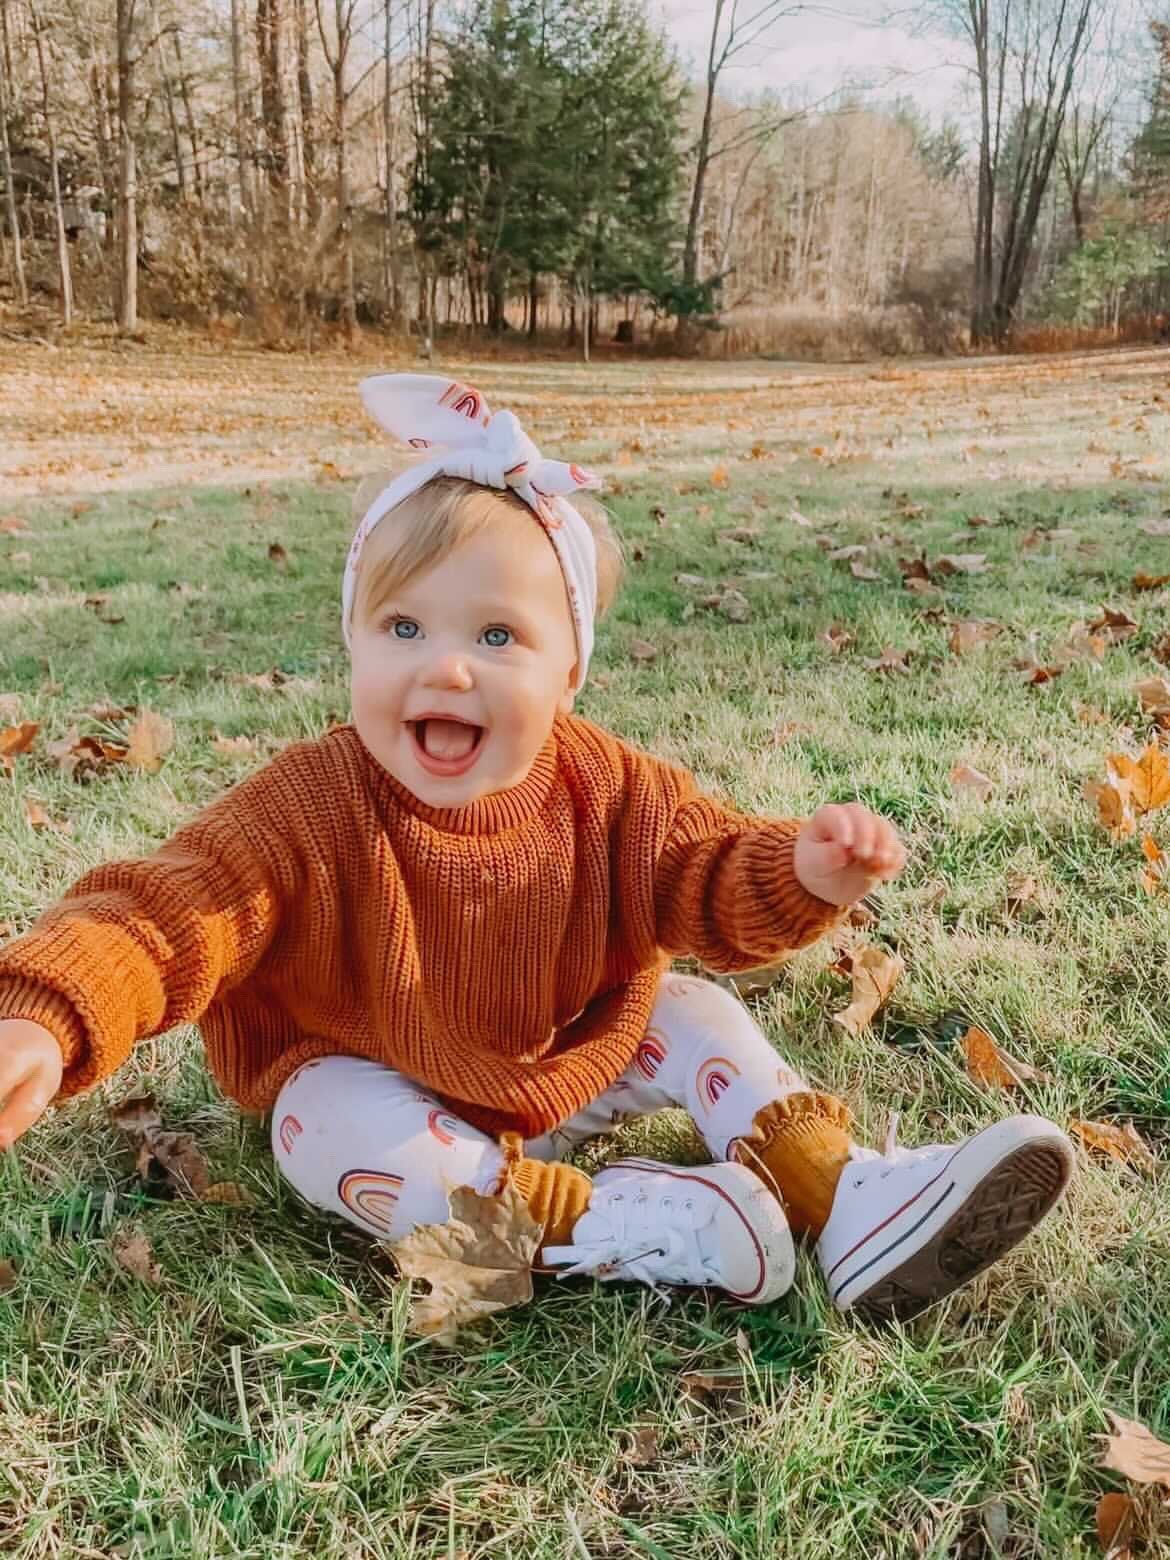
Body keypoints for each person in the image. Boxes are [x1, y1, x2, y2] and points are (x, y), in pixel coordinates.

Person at [0, 375, 1074, 1320]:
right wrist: (47, 1015)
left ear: (569, 676)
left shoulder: (604, 787)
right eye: (403, 629)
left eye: (497, 636)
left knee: (689, 1009)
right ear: (355, 641)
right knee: (312, 1118)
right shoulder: (310, 806)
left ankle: (843, 1200)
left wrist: (799, 871)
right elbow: (166, 912)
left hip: (563, 1067)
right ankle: (610, 1226)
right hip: (388, 1097)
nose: (446, 669)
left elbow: (700, 874)